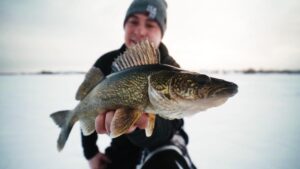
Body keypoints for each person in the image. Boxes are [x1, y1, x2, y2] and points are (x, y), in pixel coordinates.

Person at [81, 0, 196, 168]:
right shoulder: (105, 63)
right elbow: (86, 106)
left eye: (150, 25)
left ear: (161, 34)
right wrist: (90, 152)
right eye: (133, 21)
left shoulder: (171, 70)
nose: (140, 31)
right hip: (121, 149)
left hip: (162, 146)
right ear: (124, 25)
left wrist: (140, 125)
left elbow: (172, 124)